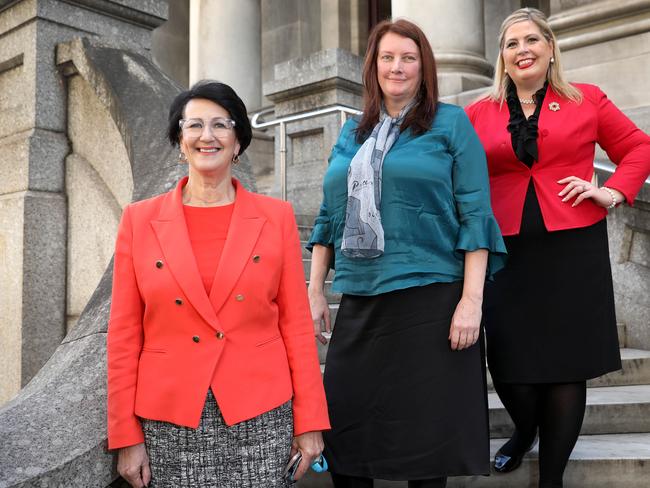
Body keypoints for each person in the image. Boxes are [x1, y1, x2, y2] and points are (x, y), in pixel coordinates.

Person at [307, 19, 507, 488]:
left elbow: (476, 214)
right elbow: (328, 216)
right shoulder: (352, 132)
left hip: (432, 298)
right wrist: (315, 289)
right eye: (387, 57)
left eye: (408, 58)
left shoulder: (450, 123)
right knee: (348, 433)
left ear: (424, 67)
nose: (397, 67)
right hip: (360, 294)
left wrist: (471, 302)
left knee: (425, 442)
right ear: (373, 67)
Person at [107, 80, 330, 488]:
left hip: (261, 413)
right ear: (179, 139)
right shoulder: (139, 220)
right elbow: (123, 334)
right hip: (170, 418)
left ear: (239, 140)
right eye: (193, 126)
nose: (206, 136)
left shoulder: (275, 217)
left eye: (220, 125)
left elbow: (297, 328)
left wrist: (311, 420)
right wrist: (125, 434)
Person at [465, 8, 650, 488]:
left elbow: (638, 148)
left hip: (573, 247)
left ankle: (552, 479)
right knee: (508, 364)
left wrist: (610, 192)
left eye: (532, 40)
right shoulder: (477, 114)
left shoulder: (586, 100)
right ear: (502, 58)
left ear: (550, 49)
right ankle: (525, 430)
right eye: (511, 43)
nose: (522, 50)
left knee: (568, 365)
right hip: (504, 249)